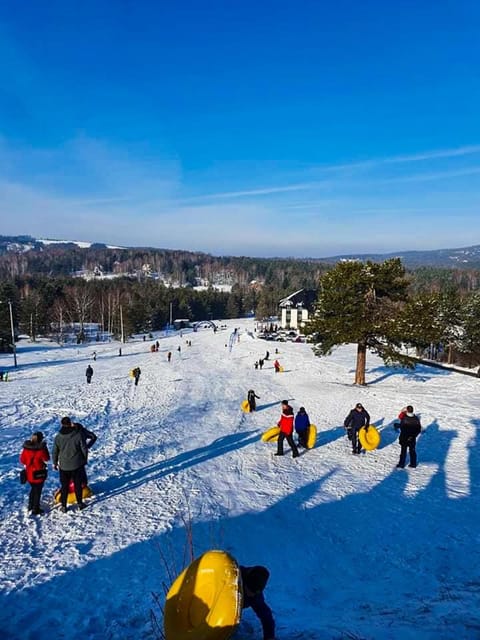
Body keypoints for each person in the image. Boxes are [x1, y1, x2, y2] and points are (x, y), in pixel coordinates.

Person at [53, 417, 88, 512]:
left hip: (64, 466)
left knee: (65, 486)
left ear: (61, 424)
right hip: (77, 465)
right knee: (77, 485)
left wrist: (55, 463)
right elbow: (84, 448)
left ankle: (64, 506)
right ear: (70, 423)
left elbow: (55, 451)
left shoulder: (58, 437)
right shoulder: (78, 435)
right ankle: (80, 503)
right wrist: (85, 459)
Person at [240, 565, 275, 640]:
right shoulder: (233, 577)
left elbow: (266, 615)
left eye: (254, 592)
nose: (251, 594)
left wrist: (269, 637)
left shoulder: (255, 596)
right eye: (249, 590)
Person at [20, 431, 50, 515]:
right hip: (38, 474)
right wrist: (45, 448)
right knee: (38, 491)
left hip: (29, 473)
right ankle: (35, 508)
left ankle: (30, 505)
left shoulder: (26, 449)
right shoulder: (41, 449)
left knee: (33, 489)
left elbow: (22, 460)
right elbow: (46, 458)